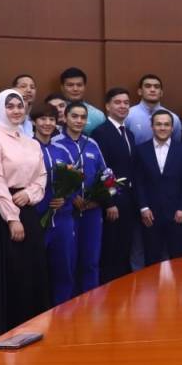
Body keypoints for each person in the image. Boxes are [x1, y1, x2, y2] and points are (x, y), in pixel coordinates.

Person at [0, 89, 50, 342]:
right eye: (10, 106)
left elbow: (41, 176)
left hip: (27, 206)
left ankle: (32, 326)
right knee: (8, 269)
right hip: (1, 212)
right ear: (0, 109)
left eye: (20, 106)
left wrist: (29, 194)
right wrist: (12, 218)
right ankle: (4, 331)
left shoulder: (31, 142)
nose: (16, 111)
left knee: (31, 267)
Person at [52, 101, 113, 296]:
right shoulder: (54, 143)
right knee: (68, 262)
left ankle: (92, 301)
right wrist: (71, 197)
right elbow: (51, 178)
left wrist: (102, 198)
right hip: (67, 212)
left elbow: (106, 175)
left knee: (91, 260)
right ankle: (67, 304)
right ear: (65, 118)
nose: (79, 120)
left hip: (92, 211)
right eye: (74, 116)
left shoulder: (92, 143)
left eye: (83, 117)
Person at [31, 105, 77, 306]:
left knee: (64, 268)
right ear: (34, 122)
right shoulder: (26, 148)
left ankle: (63, 309)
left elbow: (75, 179)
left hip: (63, 219)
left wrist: (66, 197)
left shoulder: (62, 150)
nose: (47, 123)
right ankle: (38, 311)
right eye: (42, 119)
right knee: (36, 269)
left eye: (51, 119)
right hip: (36, 219)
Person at [133, 110, 182, 264]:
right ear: (152, 127)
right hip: (150, 215)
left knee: (178, 260)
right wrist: (143, 208)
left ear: (172, 128)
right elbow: (138, 182)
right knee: (152, 259)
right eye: (158, 124)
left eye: (166, 124)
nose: (162, 128)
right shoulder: (141, 150)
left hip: (177, 214)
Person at [91, 87, 136, 283]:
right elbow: (102, 169)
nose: (123, 106)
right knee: (111, 249)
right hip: (113, 202)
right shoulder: (101, 132)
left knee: (125, 247)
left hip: (129, 200)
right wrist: (109, 202)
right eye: (118, 102)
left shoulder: (129, 134)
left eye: (126, 103)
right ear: (107, 106)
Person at [126, 73, 182, 145]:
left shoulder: (174, 118)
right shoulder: (128, 116)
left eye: (156, 87)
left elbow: (176, 145)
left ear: (161, 93)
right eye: (148, 86)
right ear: (140, 91)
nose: (152, 90)